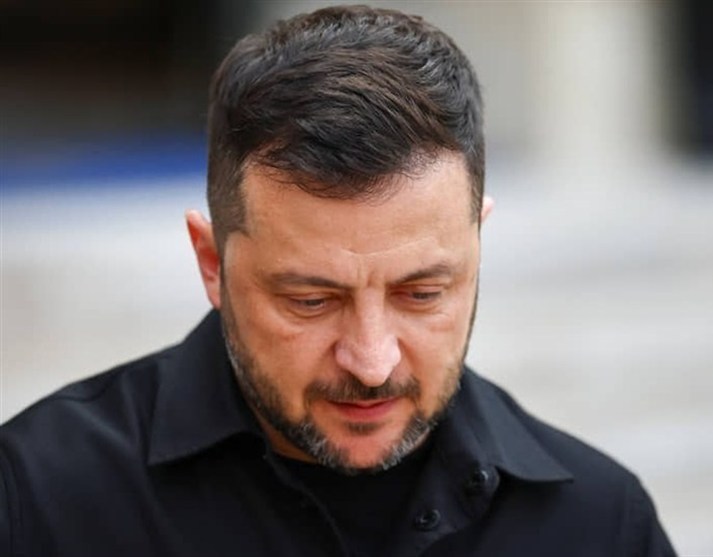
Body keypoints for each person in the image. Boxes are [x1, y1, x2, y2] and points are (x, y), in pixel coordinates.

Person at [0, 5, 676, 556]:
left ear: (477, 247)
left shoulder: (599, 524)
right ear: (212, 263)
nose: (372, 362)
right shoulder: (36, 499)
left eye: (422, 293)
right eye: (311, 300)